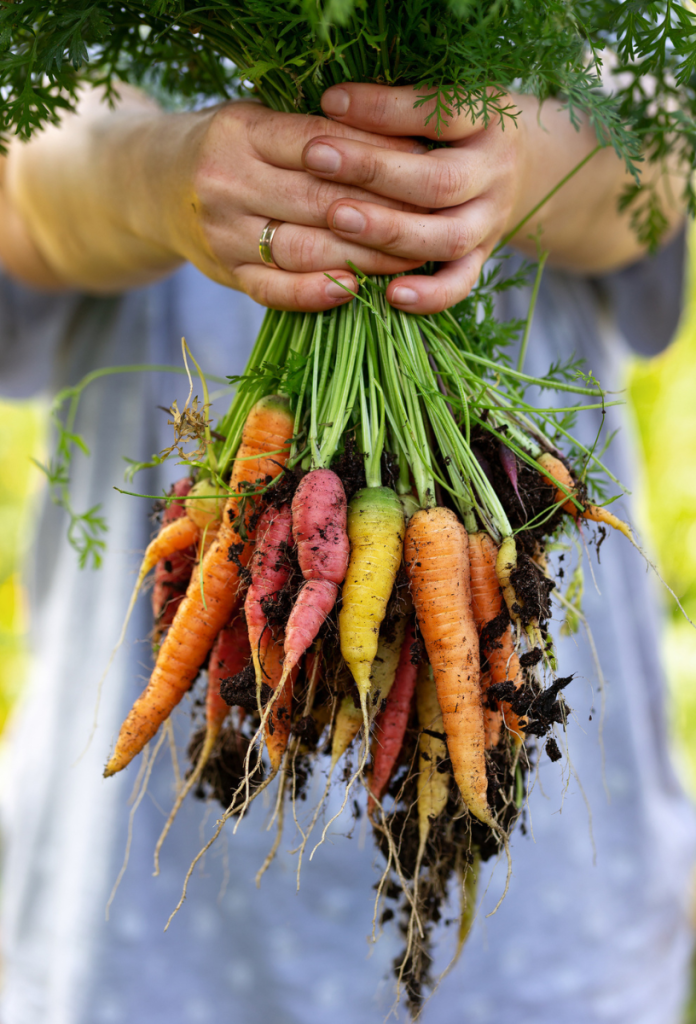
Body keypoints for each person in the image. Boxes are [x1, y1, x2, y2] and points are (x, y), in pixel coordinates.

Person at [0, 81, 693, 1024]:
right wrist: (152, 175)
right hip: (146, 943)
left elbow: (660, 163)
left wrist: (520, 166)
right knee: (255, 607)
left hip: (555, 931)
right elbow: (24, 177)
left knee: (465, 696)